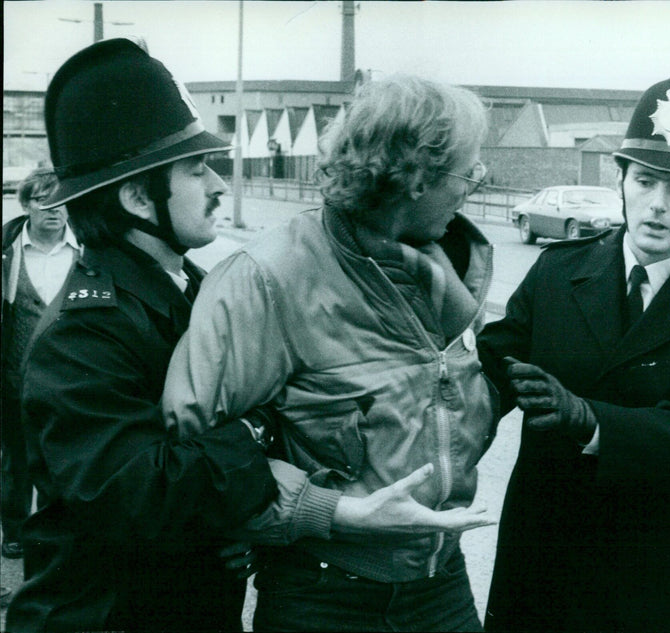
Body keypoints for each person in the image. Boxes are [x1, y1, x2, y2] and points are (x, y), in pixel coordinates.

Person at [162, 74, 498, 632]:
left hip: (441, 585)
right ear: (415, 176)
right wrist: (326, 512)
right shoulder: (269, 276)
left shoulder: (446, 269)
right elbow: (194, 450)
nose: (473, 187)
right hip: (324, 593)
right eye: (467, 172)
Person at [478, 65, 670, 633]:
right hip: (542, 561)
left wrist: (591, 420)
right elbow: (487, 377)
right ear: (621, 181)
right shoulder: (557, 272)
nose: (657, 204)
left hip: (652, 575)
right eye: (644, 180)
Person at [6, 38, 280, 633]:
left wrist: (240, 520)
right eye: (194, 167)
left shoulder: (194, 288)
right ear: (136, 196)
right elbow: (144, 499)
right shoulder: (83, 335)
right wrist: (253, 444)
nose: (216, 185)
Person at [2, 168, 79, 562]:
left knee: (62, 454)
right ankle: (15, 531)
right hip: (15, 376)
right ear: (28, 205)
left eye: (62, 199)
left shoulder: (86, 251)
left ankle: (54, 529)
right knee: (16, 459)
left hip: (69, 377)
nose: (55, 209)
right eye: (43, 200)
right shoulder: (8, 252)